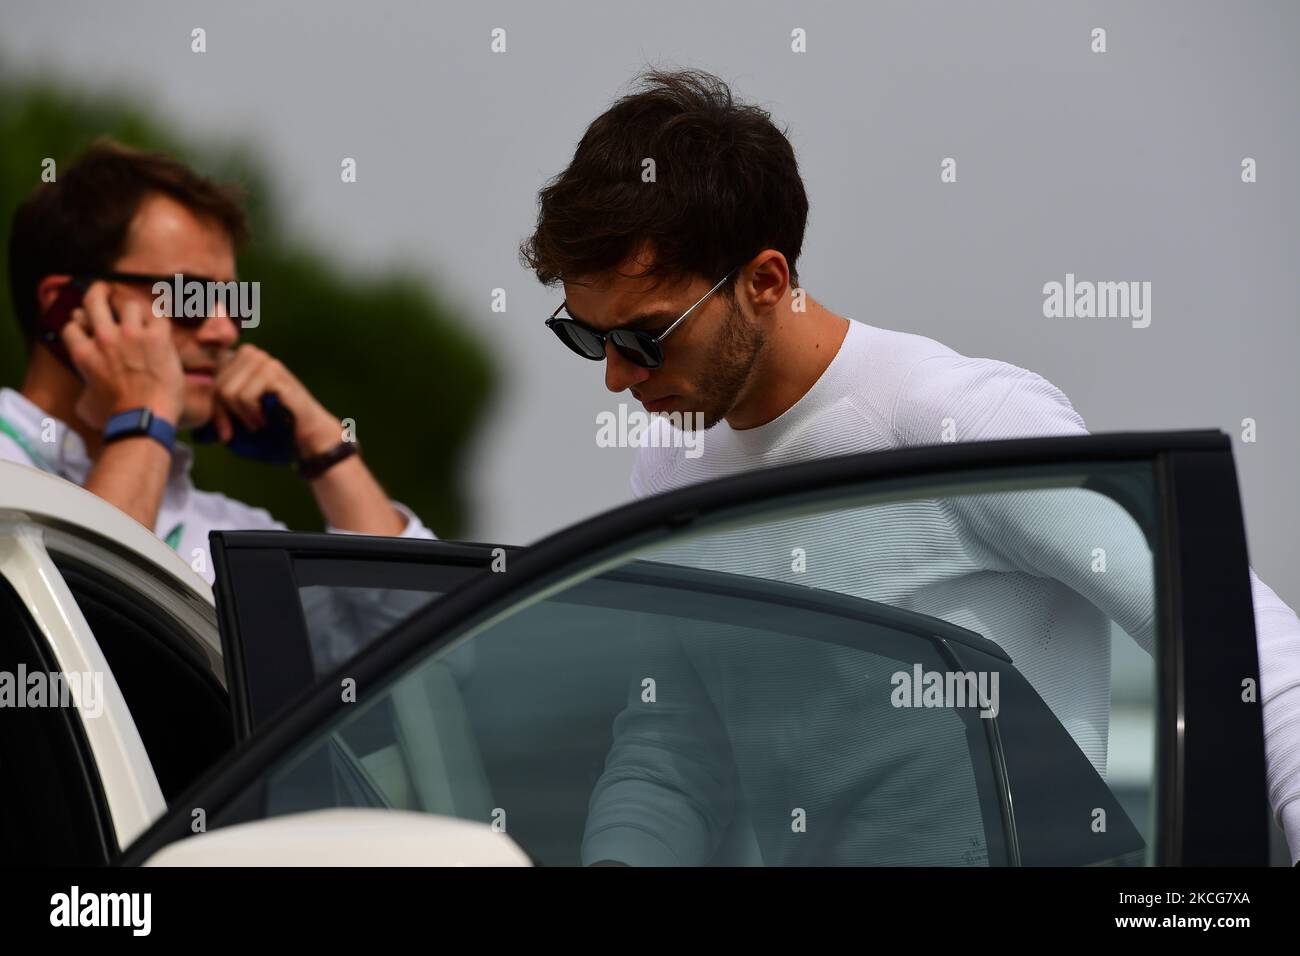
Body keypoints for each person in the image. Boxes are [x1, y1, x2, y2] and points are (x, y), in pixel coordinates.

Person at [521, 68, 1300, 864]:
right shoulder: (668, 465)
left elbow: (1241, 642)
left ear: (765, 282)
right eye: (586, 337)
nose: (616, 376)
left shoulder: (959, 419)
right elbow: (672, 746)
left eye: (644, 337)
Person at [3, 139, 434, 585]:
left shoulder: (232, 534)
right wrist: (144, 416)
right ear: (64, 306)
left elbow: (436, 641)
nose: (223, 331)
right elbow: (78, 615)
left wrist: (326, 450)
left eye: (233, 301)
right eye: (190, 297)